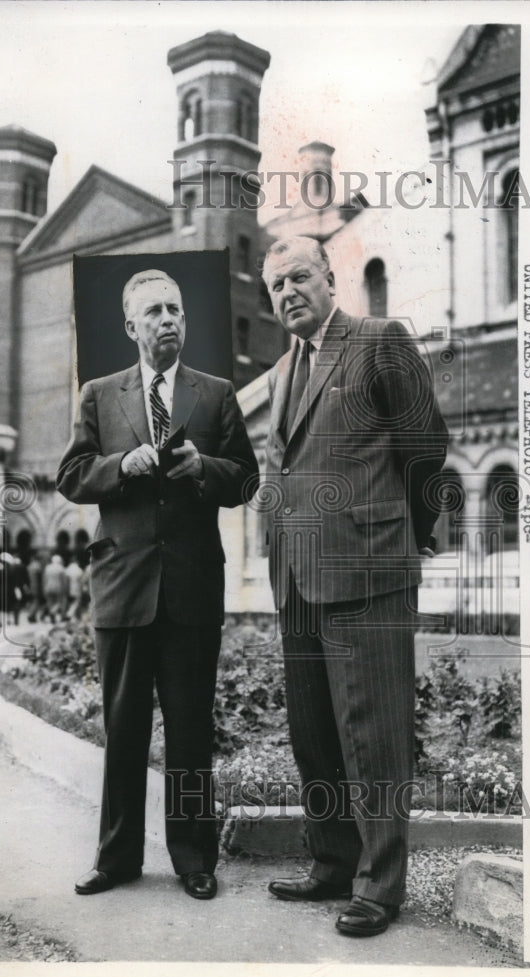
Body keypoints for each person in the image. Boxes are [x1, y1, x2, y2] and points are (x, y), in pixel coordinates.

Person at [260, 237, 448, 937]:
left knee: (373, 733)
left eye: (299, 276)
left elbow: (426, 444)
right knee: (314, 733)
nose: (288, 292)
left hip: (368, 570)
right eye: (276, 285)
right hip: (299, 580)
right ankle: (332, 861)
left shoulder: (377, 341)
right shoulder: (283, 370)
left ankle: (379, 886)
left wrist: (406, 533)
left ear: (329, 278)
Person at [57, 268, 258, 901]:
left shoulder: (217, 394)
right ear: (131, 326)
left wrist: (206, 469)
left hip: (192, 586)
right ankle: (116, 858)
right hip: (122, 584)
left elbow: (247, 479)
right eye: (155, 312)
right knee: (123, 726)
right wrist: (121, 465)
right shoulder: (99, 394)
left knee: (191, 725)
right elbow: (71, 475)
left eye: (176, 309)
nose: (168, 319)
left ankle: (194, 856)